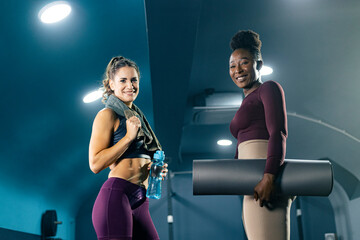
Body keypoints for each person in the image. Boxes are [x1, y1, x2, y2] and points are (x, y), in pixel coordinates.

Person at [89, 56, 167, 240]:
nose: (130, 86)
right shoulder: (107, 115)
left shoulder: (138, 118)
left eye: (134, 80)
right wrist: (128, 138)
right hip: (117, 195)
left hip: (140, 199)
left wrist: (155, 169)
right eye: (123, 80)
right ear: (111, 84)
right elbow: (95, 164)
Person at [229, 30, 293, 240]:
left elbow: (278, 132)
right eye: (232, 65)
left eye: (244, 62)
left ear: (259, 64)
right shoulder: (246, 101)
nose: (237, 69)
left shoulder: (268, 88)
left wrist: (269, 176)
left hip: (266, 179)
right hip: (251, 183)